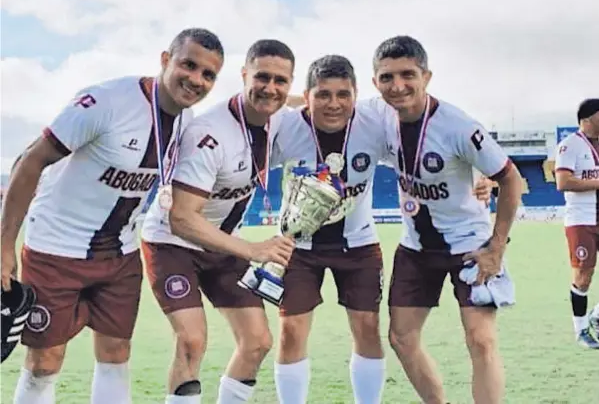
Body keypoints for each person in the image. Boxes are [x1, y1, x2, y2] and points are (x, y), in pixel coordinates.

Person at [0, 28, 225, 404]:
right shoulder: (105, 101)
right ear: (166, 60)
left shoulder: (187, 122)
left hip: (120, 254)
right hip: (55, 248)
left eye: (208, 75)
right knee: (44, 362)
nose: (196, 80)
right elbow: (30, 161)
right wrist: (5, 245)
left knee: (116, 354)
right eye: (189, 65)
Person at [272, 55, 494, 404]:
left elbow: (447, 143)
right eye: (323, 95)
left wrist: (479, 174)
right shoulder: (285, 126)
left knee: (366, 328)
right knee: (291, 332)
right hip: (299, 248)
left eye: (343, 95)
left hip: (359, 245)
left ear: (357, 94)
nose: (334, 104)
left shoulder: (374, 120)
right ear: (307, 95)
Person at [140, 39, 296, 404]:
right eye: (262, 77)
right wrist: (251, 249)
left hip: (221, 242)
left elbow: (305, 104)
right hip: (173, 242)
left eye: (280, 81)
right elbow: (181, 218)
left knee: (257, 342)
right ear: (244, 75)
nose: (270, 88)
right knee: (192, 340)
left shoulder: (282, 121)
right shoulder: (209, 134)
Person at [373, 35, 523, 404]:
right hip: (416, 247)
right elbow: (325, 101)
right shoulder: (374, 113)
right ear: (375, 81)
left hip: (470, 245)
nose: (398, 86)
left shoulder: (457, 125)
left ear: (427, 76)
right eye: (387, 77)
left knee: (481, 339)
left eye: (408, 74)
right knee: (401, 339)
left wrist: (496, 248)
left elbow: (511, 179)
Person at [554, 98, 599, 349]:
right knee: (584, 275)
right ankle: (581, 329)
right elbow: (563, 183)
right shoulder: (569, 145)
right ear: (589, 118)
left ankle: (598, 315)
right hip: (582, 219)